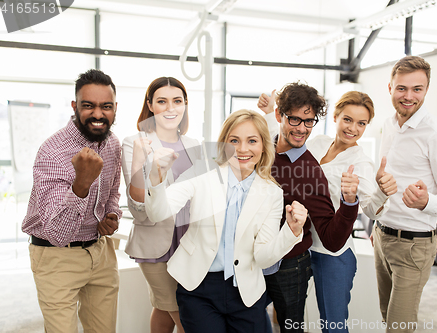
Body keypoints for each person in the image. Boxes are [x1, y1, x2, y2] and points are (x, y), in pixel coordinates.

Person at [145, 109, 308, 333]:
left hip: (246, 291)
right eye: (234, 140)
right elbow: (158, 213)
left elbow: (263, 257)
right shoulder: (201, 173)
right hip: (198, 286)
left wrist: (291, 231)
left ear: (263, 145)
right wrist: (156, 178)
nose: (242, 149)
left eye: (252, 141)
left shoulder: (272, 193)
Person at [260, 90, 398, 332]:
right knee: (283, 315)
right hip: (299, 246)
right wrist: (271, 110)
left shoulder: (361, 162)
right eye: (347, 119)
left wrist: (381, 193)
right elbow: (287, 134)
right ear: (335, 117)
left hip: (331, 253)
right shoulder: (317, 142)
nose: (353, 128)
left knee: (332, 325)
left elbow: (370, 209)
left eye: (361, 123)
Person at [22, 69, 122, 333]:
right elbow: (56, 233)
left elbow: (113, 192)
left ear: (115, 109)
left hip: (100, 254)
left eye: (106, 106)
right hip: (56, 257)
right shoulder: (52, 151)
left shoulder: (112, 144)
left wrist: (111, 216)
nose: (98, 114)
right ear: (75, 106)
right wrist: (82, 184)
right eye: (88, 106)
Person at [372, 56, 437, 332]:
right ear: (389, 88)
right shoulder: (388, 126)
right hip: (381, 237)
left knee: (399, 327)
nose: (409, 96)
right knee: (387, 318)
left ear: (426, 89)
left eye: (417, 89)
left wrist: (428, 202)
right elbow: (387, 181)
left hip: (414, 246)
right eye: (402, 88)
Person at [258, 82, 360, 333]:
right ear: (279, 115)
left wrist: (348, 203)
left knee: (290, 328)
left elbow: (331, 238)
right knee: (245, 321)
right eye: (295, 119)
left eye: (309, 121)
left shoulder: (311, 172)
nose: (302, 129)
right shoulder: (259, 149)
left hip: (290, 266)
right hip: (253, 258)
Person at [121, 77, 201, 333]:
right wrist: (139, 166)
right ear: (150, 105)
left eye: (177, 101)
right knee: (182, 314)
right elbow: (137, 206)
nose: (170, 108)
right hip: (156, 241)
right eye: (162, 101)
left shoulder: (193, 144)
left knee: (163, 309)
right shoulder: (136, 142)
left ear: (185, 105)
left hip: (189, 240)